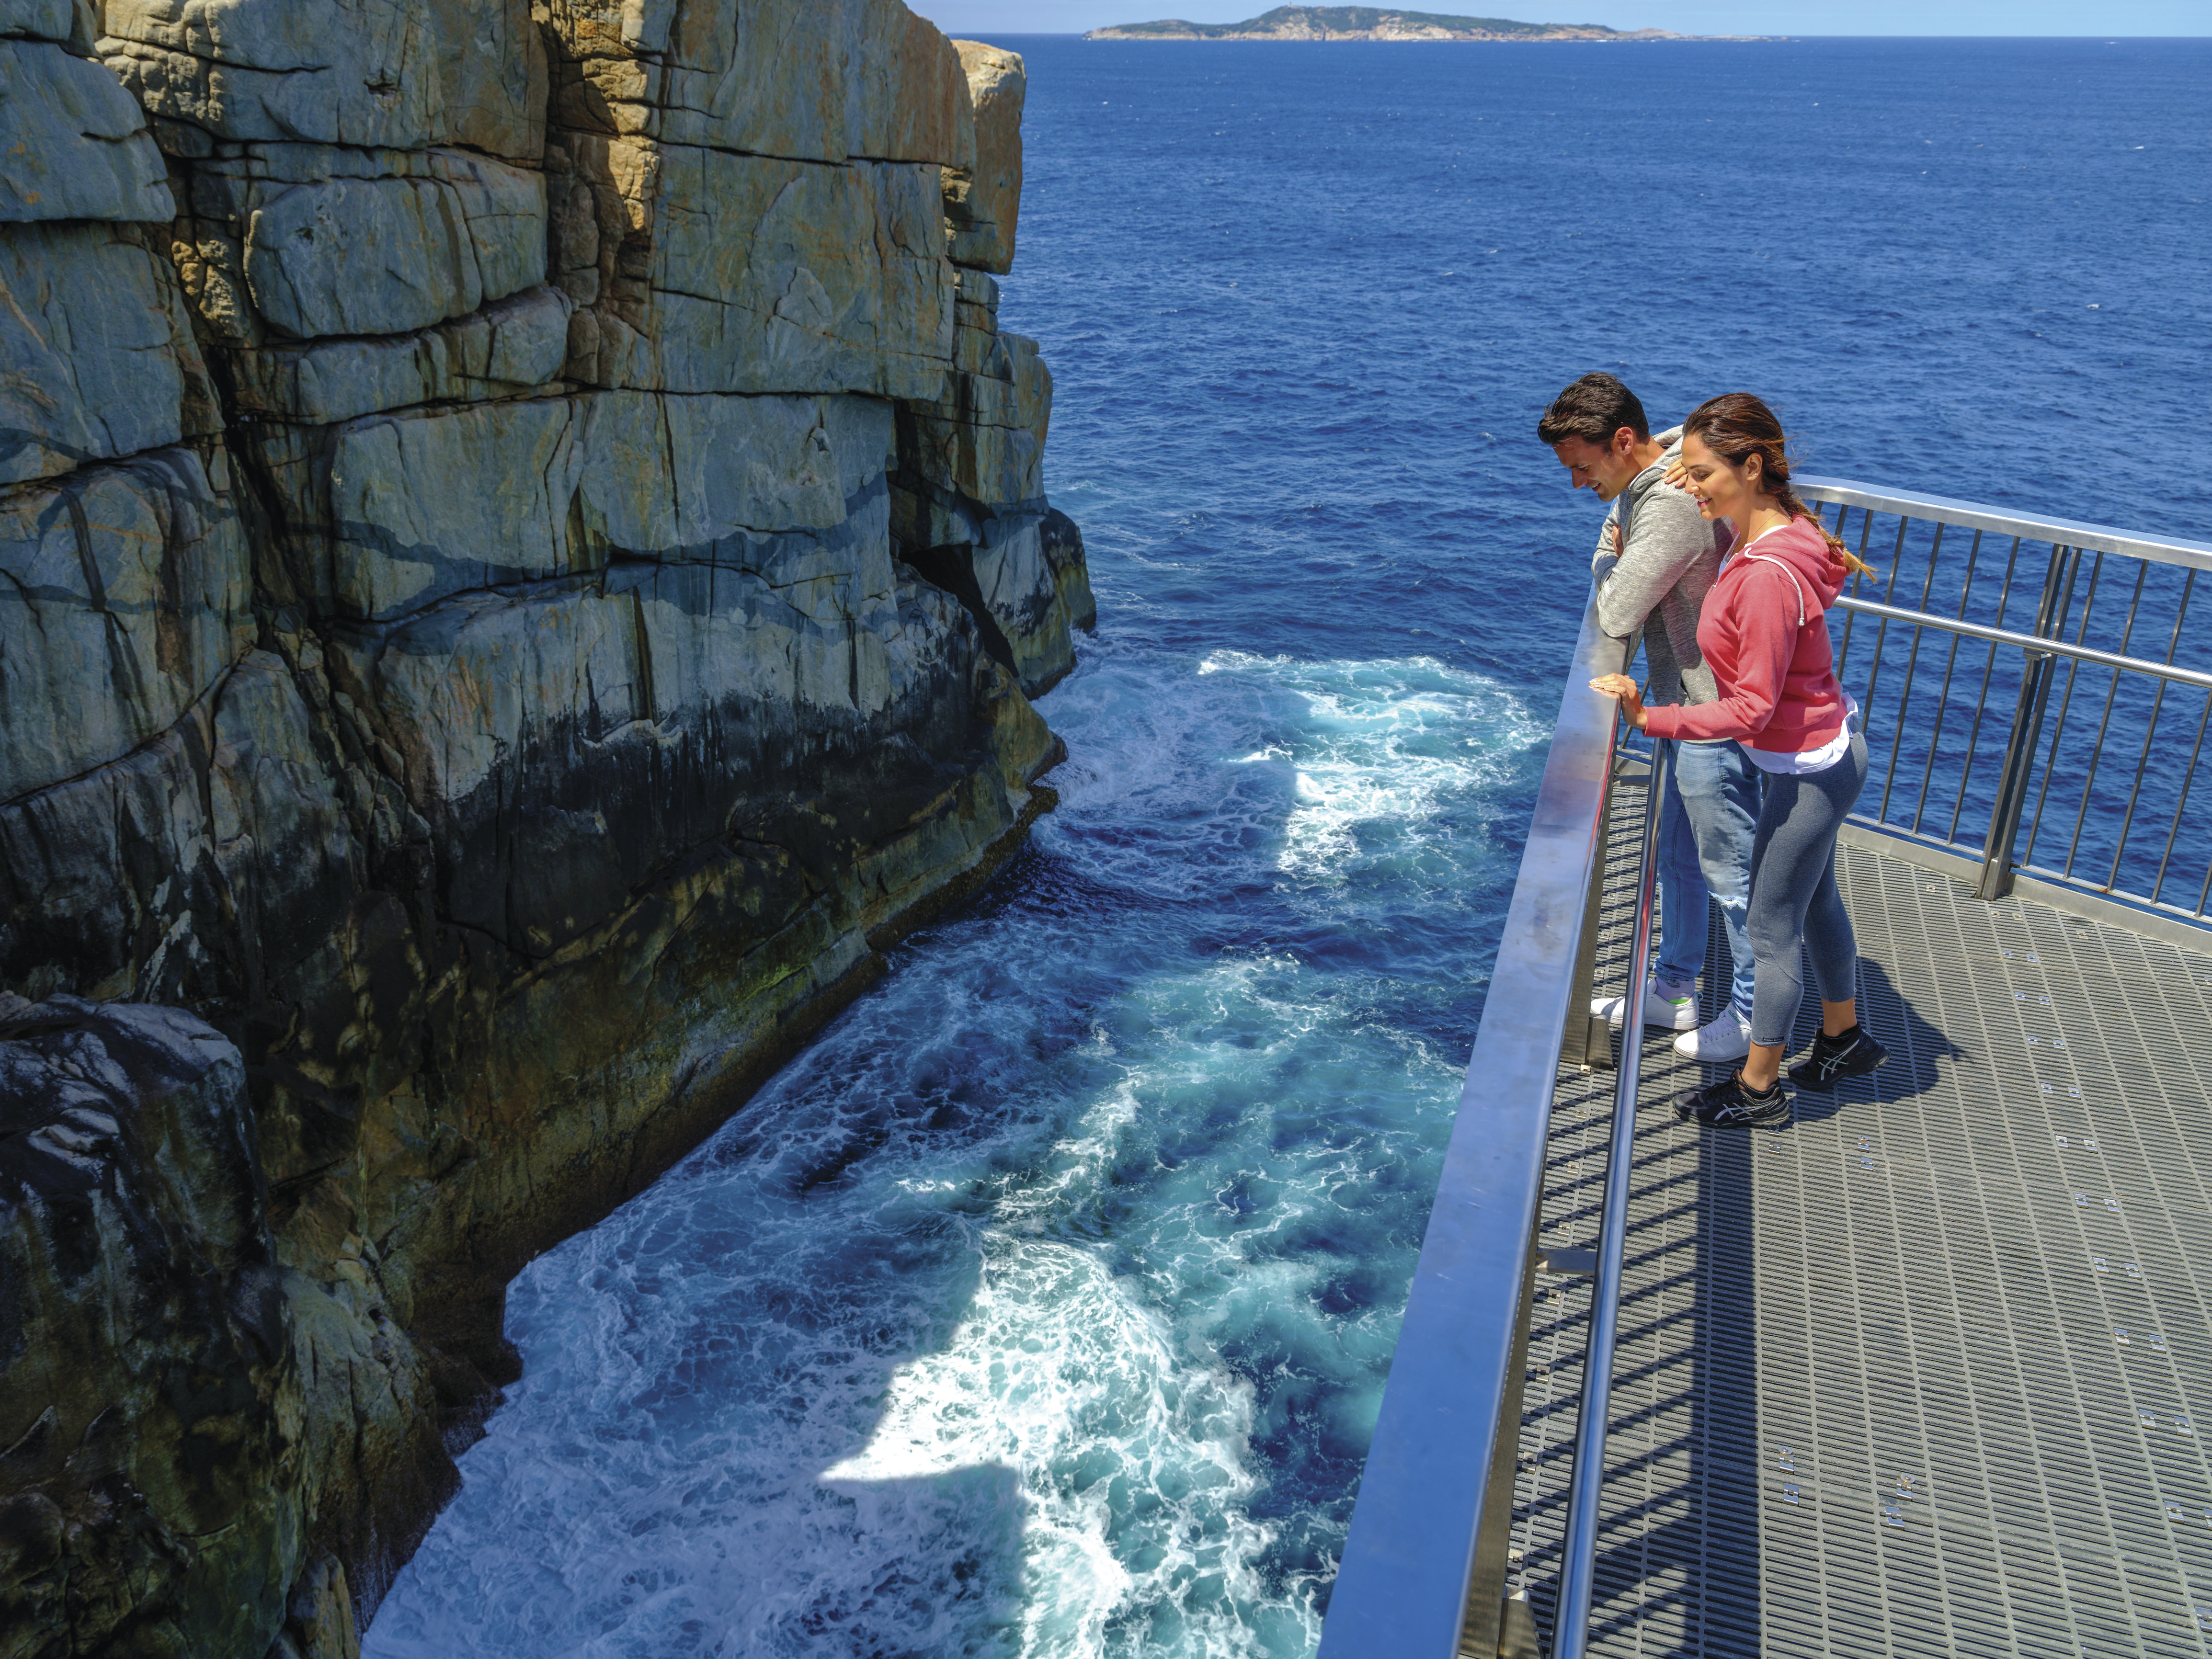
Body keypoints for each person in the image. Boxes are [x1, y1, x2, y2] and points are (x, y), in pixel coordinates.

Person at [1590, 392, 1889, 1128]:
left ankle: (1759, 1090)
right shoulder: (1777, 536)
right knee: (1813, 901)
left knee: (1768, 926)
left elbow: (1750, 708)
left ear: (1750, 468)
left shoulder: (1759, 574)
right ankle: (1844, 1037)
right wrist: (1675, 453)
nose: (1681, 485)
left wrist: (1648, 716)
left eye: (1695, 474)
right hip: (1823, 751)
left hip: (1807, 767)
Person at [1538, 373, 1760, 1063]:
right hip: (1685, 701)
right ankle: (1673, 987)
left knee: (1730, 874)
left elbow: (1617, 610)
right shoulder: (1666, 465)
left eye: (1582, 467)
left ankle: (1753, 1019)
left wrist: (1609, 547)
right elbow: (1665, 438)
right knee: (1678, 854)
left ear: (1623, 441)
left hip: (1712, 708)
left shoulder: (1665, 505)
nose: (1576, 485)